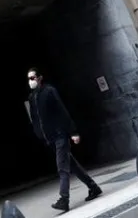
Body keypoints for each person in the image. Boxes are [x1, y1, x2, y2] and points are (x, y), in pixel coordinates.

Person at [27, 68, 102, 212]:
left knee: (62, 168)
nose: (30, 81)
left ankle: (64, 199)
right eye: (28, 79)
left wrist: (73, 132)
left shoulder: (49, 91)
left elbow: (62, 111)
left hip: (60, 135)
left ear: (40, 78)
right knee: (72, 165)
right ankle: (93, 187)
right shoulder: (32, 97)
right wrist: (39, 134)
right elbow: (35, 119)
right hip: (49, 139)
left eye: (32, 78)